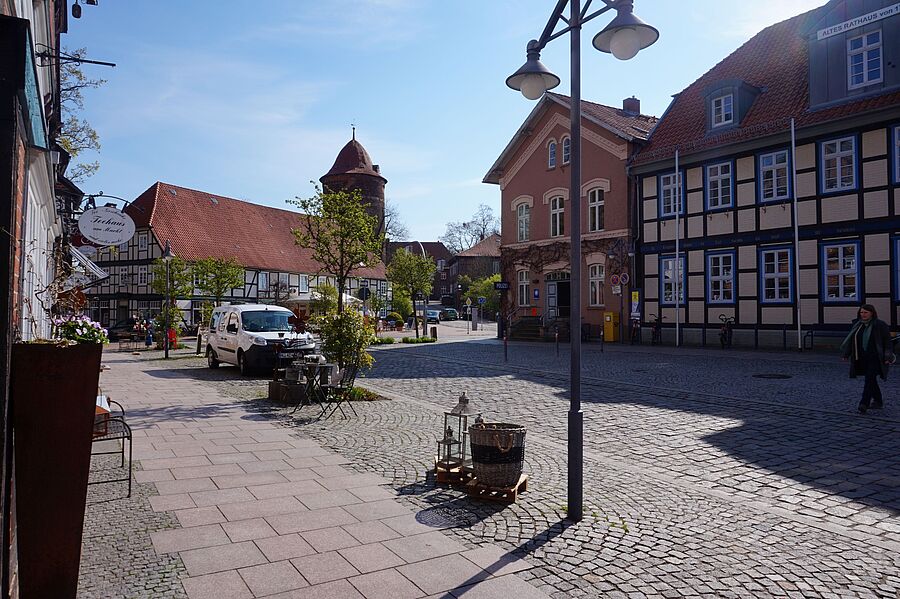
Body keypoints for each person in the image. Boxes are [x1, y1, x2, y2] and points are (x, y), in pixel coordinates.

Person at [840, 304, 894, 414]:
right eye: (861, 312)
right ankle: (878, 401)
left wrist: (887, 357)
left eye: (865, 312)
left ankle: (864, 403)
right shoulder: (857, 325)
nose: (863, 315)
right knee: (871, 380)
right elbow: (852, 341)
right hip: (861, 357)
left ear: (872, 313)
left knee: (869, 379)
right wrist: (846, 354)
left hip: (876, 357)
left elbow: (887, 343)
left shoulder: (880, 325)